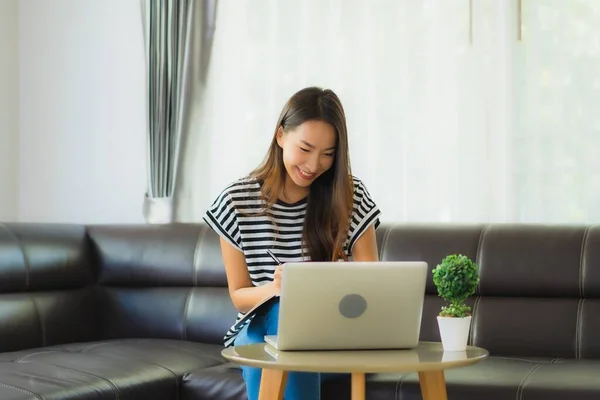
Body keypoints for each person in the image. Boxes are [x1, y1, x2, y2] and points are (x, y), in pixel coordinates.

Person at [203, 86, 382, 400]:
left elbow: (374, 281)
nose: (314, 165)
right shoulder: (237, 201)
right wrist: (278, 289)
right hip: (261, 327)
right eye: (305, 148)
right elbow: (239, 296)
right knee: (280, 317)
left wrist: (334, 278)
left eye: (328, 154)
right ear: (281, 135)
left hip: (332, 330)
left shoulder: (350, 197)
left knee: (279, 341)